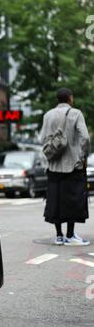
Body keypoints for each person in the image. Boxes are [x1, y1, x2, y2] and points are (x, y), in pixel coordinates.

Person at [40, 88, 91, 246]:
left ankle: (59, 236)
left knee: (55, 201)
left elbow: (43, 138)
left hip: (54, 166)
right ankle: (70, 235)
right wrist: (82, 156)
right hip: (72, 166)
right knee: (73, 200)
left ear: (57, 99)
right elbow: (85, 138)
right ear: (70, 98)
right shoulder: (76, 114)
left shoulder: (48, 115)